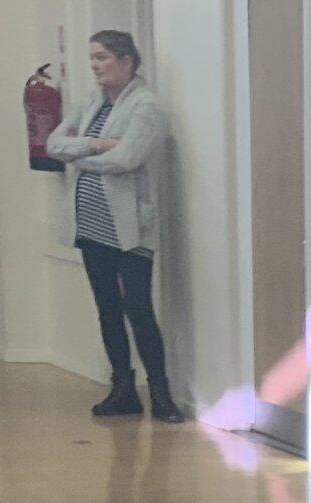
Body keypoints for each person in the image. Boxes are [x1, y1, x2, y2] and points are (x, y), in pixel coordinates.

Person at [45, 31, 184, 423]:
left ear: (126, 61)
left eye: (102, 57)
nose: (94, 65)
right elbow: (54, 144)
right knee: (107, 307)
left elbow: (127, 158)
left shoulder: (146, 106)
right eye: (92, 57)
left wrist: (84, 151)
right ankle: (122, 389)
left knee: (138, 307)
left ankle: (161, 393)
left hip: (129, 226)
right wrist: (95, 144)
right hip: (89, 222)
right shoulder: (91, 102)